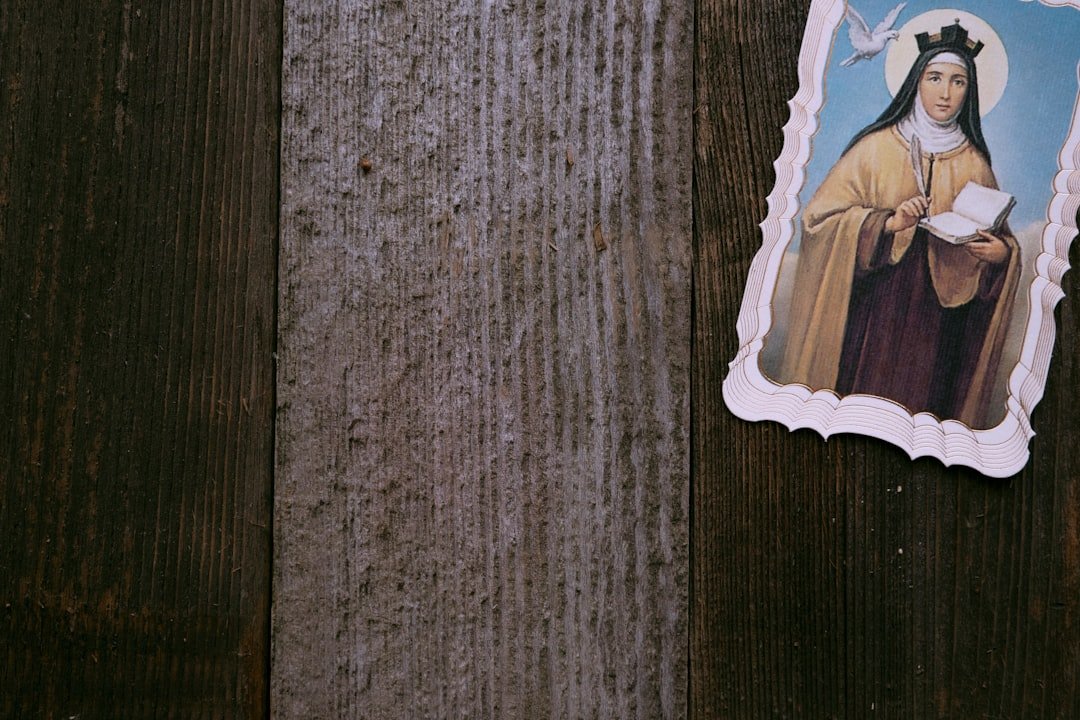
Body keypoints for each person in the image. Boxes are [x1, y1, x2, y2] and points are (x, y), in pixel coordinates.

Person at [779, 21, 1020, 428]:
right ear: (916, 81)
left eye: (958, 82)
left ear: (970, 90)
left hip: (939, 327)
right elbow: (818, 221)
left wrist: (1001, 256)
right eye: (935, 78)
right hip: (876, 314)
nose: (945, 93)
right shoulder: (875, 148)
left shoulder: (975, 164)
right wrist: (886, 223)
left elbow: (1001, 238)